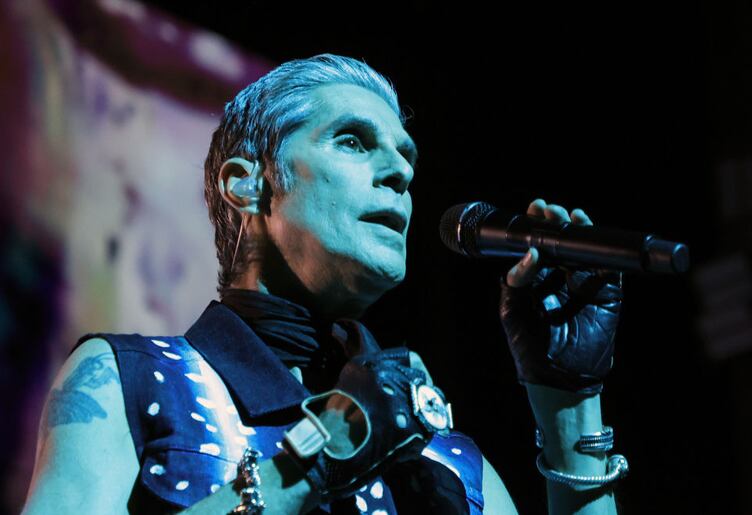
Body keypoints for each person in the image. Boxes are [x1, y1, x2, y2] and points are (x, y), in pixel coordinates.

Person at [22, 54, 624, 514]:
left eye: (406, 159)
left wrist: (568, 401)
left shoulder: (453, 463)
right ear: (247, 185)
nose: (399, 173)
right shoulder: (128, 379)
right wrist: (322, 448)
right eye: (353, 141)